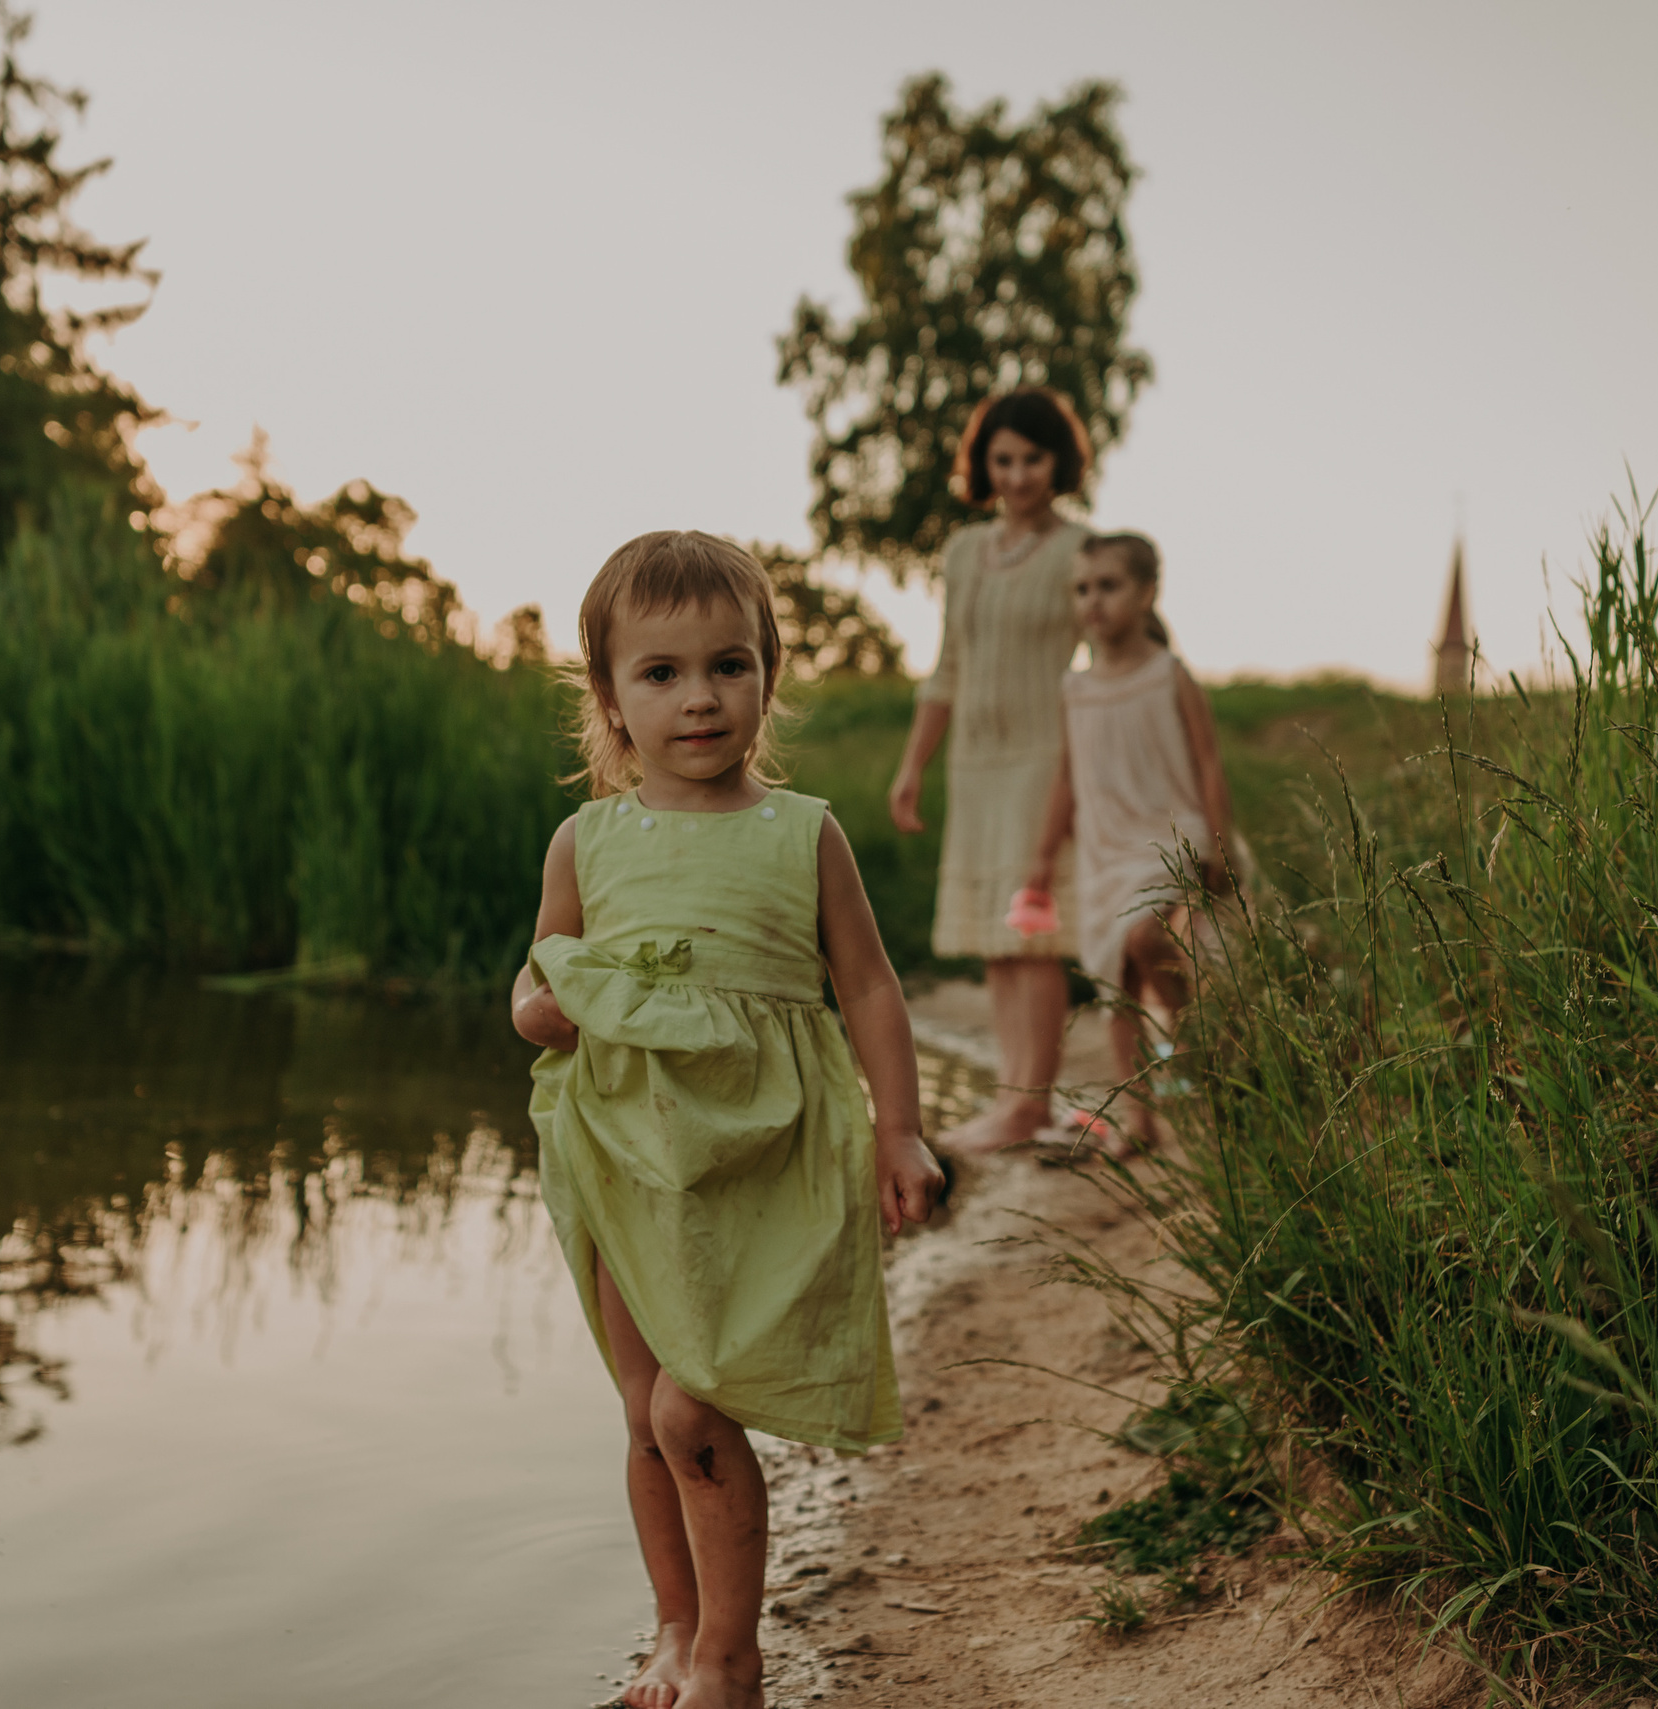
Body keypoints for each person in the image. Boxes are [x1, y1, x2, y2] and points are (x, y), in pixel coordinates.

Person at [512, 531, 945, 1709]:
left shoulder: (802, 831)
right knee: (645, 1411)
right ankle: (675, 1625)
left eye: (728, 665)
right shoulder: (585, 841)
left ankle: (732, 1658)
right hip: (626, 1154)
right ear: (610, 696)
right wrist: (537, 1011)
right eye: (661, 673)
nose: (698, 697)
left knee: (691, 1401)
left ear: (767, 674)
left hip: (764, 1152)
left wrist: (898, 1129)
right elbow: (539, 976)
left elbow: (867, 985)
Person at [889, 388, 1097, 1156]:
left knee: (1033, 933)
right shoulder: (963, 550)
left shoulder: (1081, 550)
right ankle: (1016, 1097)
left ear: (1059, 461)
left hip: (1050, 757)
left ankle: (1028, 1106)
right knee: (995, 937)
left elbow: (1116, 650)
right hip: (975, 764)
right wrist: (912, 766)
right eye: (1002, 459)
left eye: (1032, 458)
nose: (1016, 475)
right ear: (983, 463)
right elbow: (947, 667)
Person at [1020, 531, 1238, 1153]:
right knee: (1116, 983)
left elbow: (1208, 762)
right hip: (1104, 850)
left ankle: (1196, 1043)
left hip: (1172, 835)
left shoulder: (1169, 674)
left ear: (1147, 593)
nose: (1093, 601)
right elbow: (1068, 775)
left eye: (1109, 586)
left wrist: (1218, 843)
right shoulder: (1075, 689)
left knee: (1146, 937)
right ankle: (1140, 1121)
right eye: (1082, 589)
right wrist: (1042, 857)